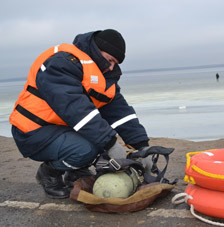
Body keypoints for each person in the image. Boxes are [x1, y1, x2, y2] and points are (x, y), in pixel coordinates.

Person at [9, 29, 168, 199]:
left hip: (60, 129)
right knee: (90, 148)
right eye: (110, 60)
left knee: (100, 142)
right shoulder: (61, 63)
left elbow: (121, 114)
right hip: (33, 131)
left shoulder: (102, 77)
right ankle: (49, 173)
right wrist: (111, 143)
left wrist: (142, 146)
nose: (111, 67)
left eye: (115, 63)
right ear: (97, 50)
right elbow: (75, 109)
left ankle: (74, 172)